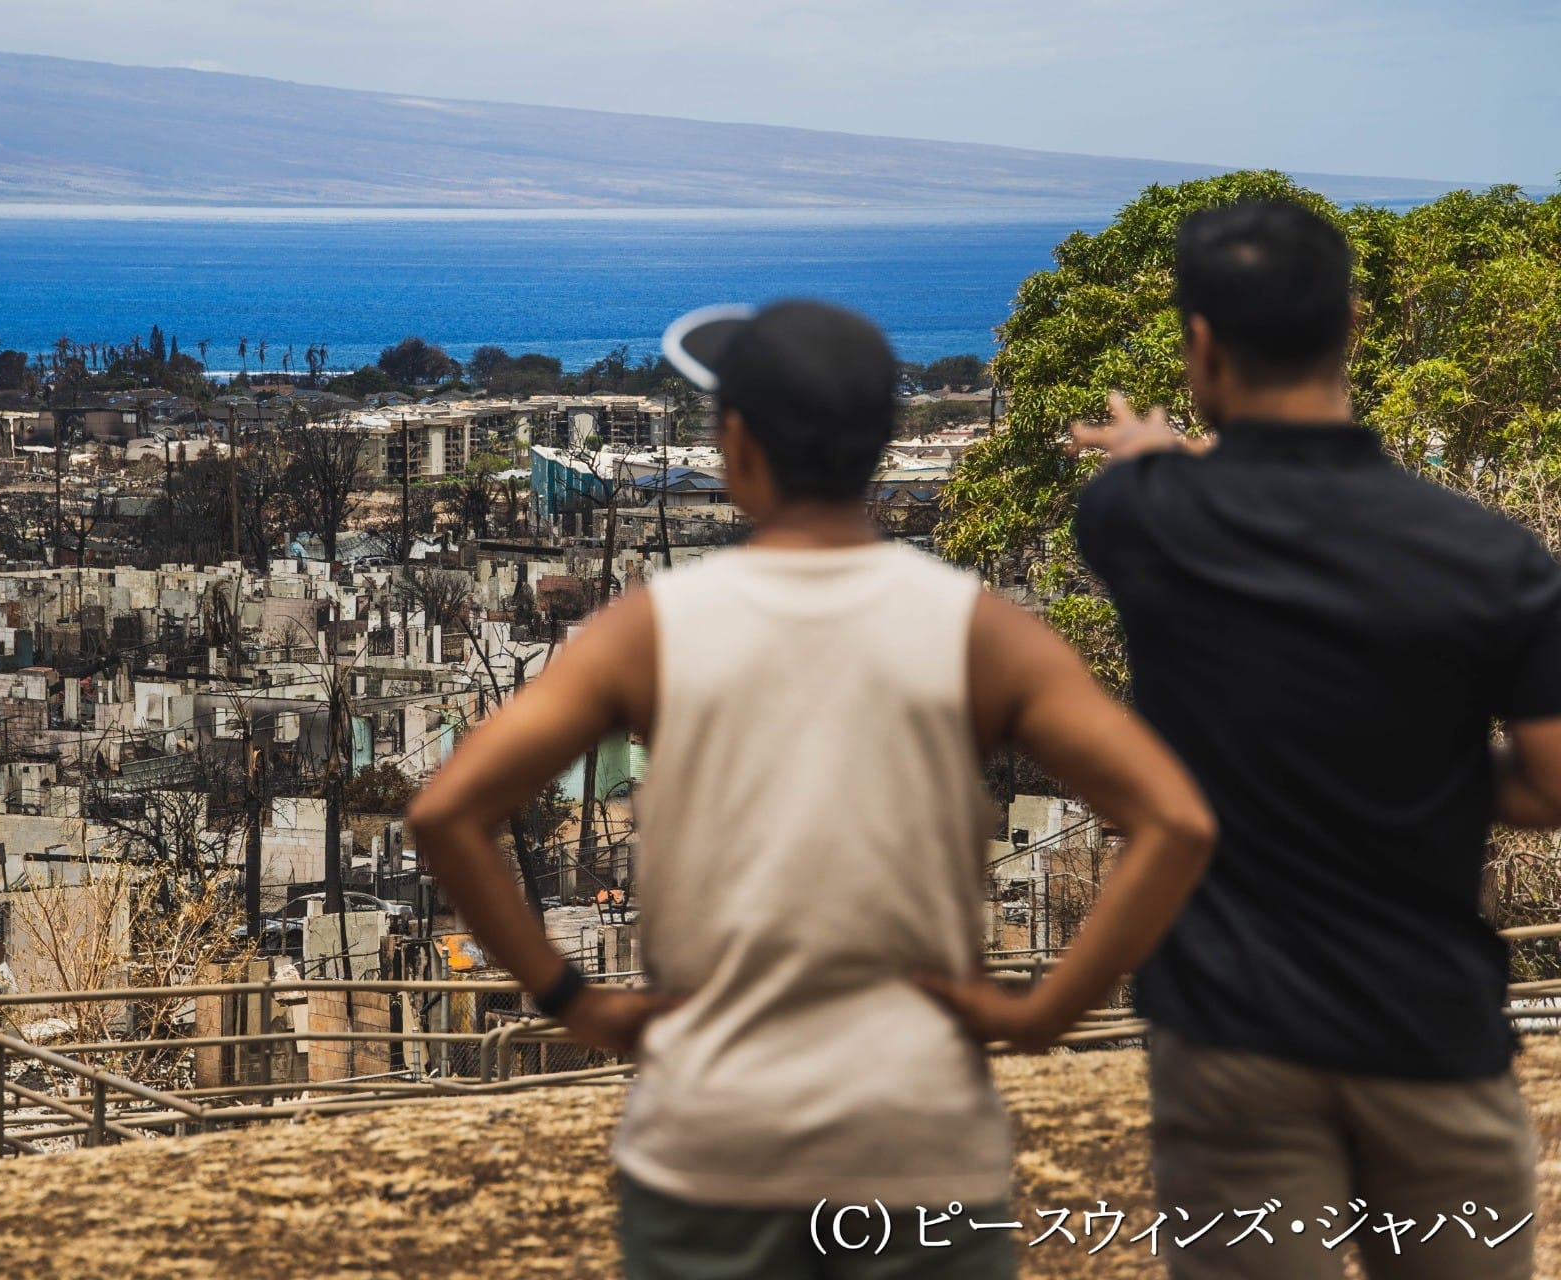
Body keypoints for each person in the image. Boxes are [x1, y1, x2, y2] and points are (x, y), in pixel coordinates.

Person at [408, 299, 1216, 1279]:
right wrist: (1046, 1011)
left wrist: (571, 995)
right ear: (878, 447)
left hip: (711, 1147)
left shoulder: (654, 628)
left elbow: (448, 809)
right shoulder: (977, 629)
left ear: (736, 443)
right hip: (920, 1148)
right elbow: (1171, 818)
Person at [933, 200, 1561, 1280]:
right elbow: (1551, 785)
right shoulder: (1492, 558)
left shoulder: (1139, 520)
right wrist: (1423, 770)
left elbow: (1174, 487)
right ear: (1355, 325)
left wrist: (1154, 449)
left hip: (1232, 1035)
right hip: (1431, 1027)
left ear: (1202, 345)